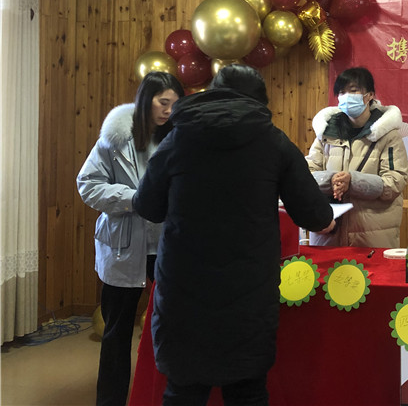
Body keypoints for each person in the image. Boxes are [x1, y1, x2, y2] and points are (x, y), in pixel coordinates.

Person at [133, 64, 335, 405]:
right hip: (249, 292)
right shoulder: (273, 142)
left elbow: (147, 206)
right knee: (247, 392)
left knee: (182, 391)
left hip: (184, 287)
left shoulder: (178, 138)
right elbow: (316, 216)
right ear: (259, 101)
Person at [76, 71, 184, 406]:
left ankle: (162, 395)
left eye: (174, 104)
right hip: (124, 246)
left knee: (172, 327)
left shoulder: (179, 139)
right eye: (162, 102)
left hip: (167, 245)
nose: (168, 111)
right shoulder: (114, 139)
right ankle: (111, 399)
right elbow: (88, 185)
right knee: (117, 331)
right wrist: (133, 199)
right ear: (145, 100)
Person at [306, 66, 408, 248]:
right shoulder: (325, 132)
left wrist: (353, 182)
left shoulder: (388, 135)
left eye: (353, 91)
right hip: (328, 234)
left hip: (372, 237)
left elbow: (395, 181)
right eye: (342, 92)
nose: (346, 96)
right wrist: (331, 180)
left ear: (369, 96)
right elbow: (306, 174)